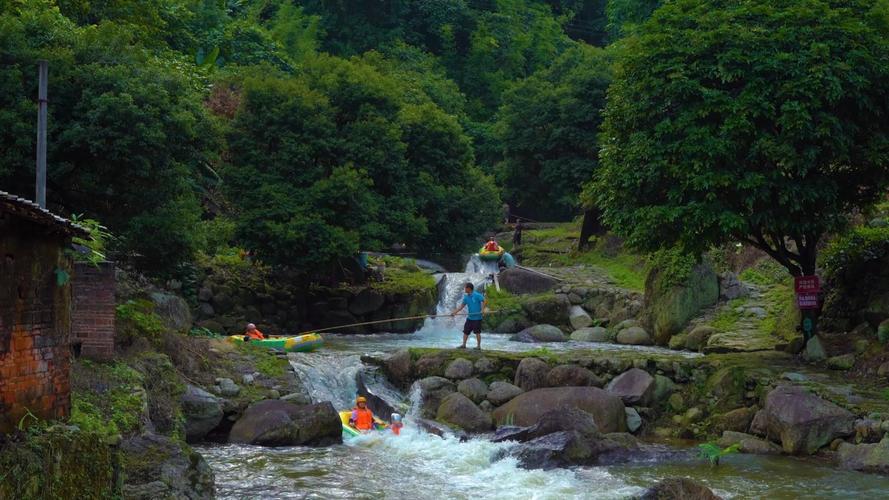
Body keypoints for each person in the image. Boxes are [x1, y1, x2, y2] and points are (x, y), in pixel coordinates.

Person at [450, 283, 486, 350]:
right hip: (470, 318)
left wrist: (483, 309)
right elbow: (461, 307)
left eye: (465, 288)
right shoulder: (466, 297)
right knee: (466, 331)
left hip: (477, 318)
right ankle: (464, 345)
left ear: (469, 288)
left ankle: (478, 346)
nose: (465, 289)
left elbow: (484, 301)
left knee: (477, 332)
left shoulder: (477, 295)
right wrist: (455, 312)